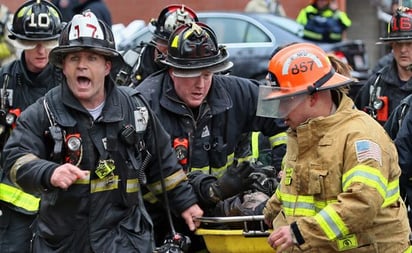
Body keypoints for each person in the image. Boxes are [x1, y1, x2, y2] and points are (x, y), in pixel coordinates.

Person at [1, 10, 203, 253]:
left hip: (125, 241)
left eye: (92, 58)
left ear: (107, 66)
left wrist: (186, 203)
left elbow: (164, 167)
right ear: (63, 66)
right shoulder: (45, 112)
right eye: (74, 58)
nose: (82, 66)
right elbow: (15, 157)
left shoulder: (135, 109)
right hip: (65, 243)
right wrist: (48, 172)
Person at [136, 21, 288, 251]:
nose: (201, 84)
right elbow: (148, 174)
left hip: (218, 220)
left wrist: (284, 166)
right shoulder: (144, 104)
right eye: (191, 74)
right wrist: (210, 190)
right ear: (172, 70)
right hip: (160, 221)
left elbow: (288, 113)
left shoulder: (238, 93)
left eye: (208, 74)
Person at [258, 42, 411, 252]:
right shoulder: (302, 133)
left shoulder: (360, 136)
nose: (281, 112)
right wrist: (268, 212)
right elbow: (292, 188)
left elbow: (362, 203)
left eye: (285, 101)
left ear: (312, 97)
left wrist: (299, 232)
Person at [0, 1, 63, 253]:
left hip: (60, 199)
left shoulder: (67, 82)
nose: (40, 51)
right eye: (32, 43)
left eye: (48, 43)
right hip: (11, 203)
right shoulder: (4, 81)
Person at [117, 4, 199, 87]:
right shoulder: (132, 59)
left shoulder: (198, 69)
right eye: (165, 42)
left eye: (178, 45)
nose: (170, 50)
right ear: (155, 39)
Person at [355, 7, 412, 125]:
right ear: (391, 45)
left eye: (409, 44)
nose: (403, 50)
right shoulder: (376, 84)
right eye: (398, 44)